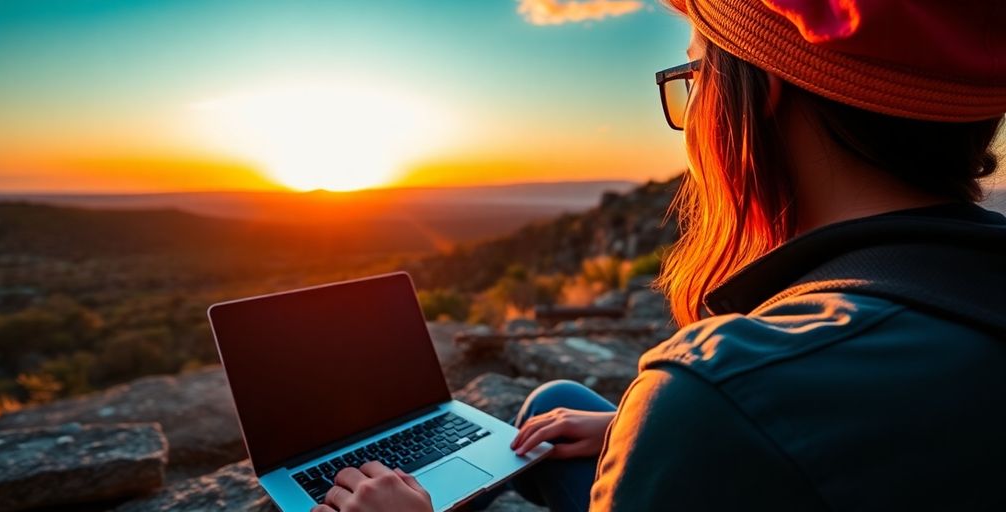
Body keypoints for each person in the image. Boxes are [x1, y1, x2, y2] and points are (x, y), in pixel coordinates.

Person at [313, 0, 1006, 510]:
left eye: (698, 77)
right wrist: (636, 428)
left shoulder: (716, 393)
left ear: (760, 93)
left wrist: (685, 421)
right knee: (555, 409)